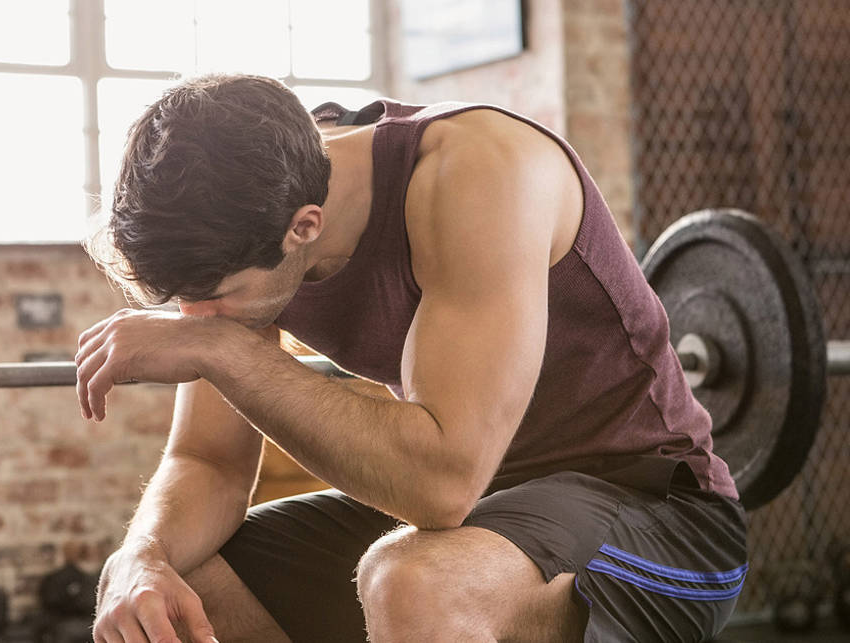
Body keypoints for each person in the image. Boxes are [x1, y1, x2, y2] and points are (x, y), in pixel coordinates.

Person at [74, 74, 747, 643]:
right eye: (184, 305)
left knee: (413, 582)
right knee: (175, 587)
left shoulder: (479, 172)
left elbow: (440, 486)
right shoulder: (247, 203)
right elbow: (208, 461)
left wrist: (221, 350)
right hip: (490, 514)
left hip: (661, 516)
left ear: (305, 226)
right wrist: (140, 556)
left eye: (216, 299)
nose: (195, 318)